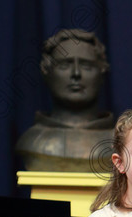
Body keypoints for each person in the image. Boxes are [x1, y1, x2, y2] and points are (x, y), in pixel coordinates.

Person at [15, 29, 114, 171]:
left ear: (102, 74)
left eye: (86, 66)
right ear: (46, 72)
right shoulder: (32, 141)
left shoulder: (117, 144)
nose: (76, 73)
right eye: (64, 65)